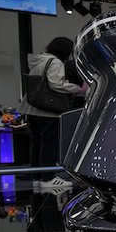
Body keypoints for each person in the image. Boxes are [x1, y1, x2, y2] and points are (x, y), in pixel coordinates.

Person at [17, 37, 84, 188]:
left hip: (32, 108)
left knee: (36, 143)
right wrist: (76, 88)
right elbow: (55, 84)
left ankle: (37, 177)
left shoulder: (39, 60)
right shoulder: (55, 62)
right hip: (47, 111)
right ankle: (48, 179)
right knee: (49, 144)